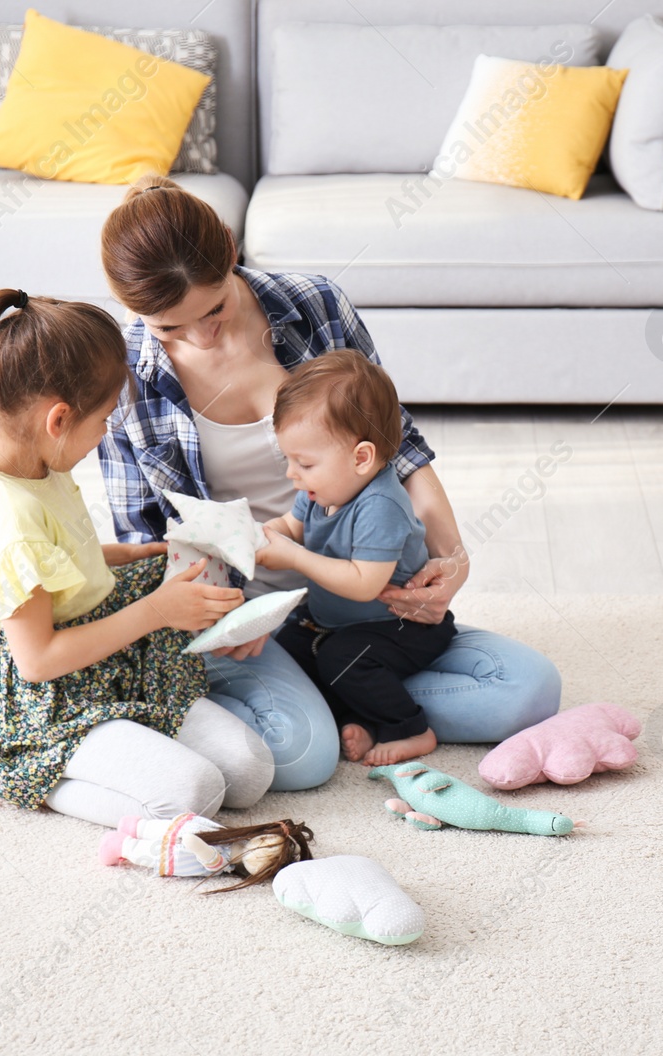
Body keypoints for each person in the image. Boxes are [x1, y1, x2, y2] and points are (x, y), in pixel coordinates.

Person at [97, 175, 562, 789]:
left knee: (529, 692)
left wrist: (453, 560)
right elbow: (146, 543)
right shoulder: (121, 379)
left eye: (213, 310)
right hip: (244, 616)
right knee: (302, 758)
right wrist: (221, 620)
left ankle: (336, 683)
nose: (200, 337)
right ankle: (339, 692)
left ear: (231, 252)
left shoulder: (312, 305)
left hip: (361, 609)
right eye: (169, 329)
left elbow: (401, 450)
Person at [0, 288, 275, 827]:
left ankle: (122, 745)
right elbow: (38, 659)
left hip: (104, 651)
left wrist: (122, 554)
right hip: (45, 694)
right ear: (58, 419)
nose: (103, 436)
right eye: (101, 423)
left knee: (250, 770)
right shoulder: (5, 516)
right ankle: (3, 771)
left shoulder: (34, 459)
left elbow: (56, 557)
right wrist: (159, 611)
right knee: (195, 794)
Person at [258, 350, 455, 766]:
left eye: (304, 463)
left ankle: (411, 729)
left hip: (399, 626)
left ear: (361, 458)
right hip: (335, 622)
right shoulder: (319, 489)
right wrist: (265, 535)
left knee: (341, 658)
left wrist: (293, 557)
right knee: (292, 648)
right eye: (289, 460)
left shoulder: (380, 504)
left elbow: (365, 582)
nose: (292, 474)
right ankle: (357, 721)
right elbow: (292, 526)